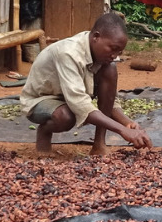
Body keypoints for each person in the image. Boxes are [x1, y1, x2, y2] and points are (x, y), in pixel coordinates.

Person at [20, 12, 153, 155]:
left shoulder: (102, 56)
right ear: (96, 37)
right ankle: (45, 131)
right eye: (113, 49)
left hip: (70, 98)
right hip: (41, 100)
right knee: (65, 116)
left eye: (119, 51)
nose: (115, 56)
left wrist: (128, 123)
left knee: (110, 68)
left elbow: (109, 102)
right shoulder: (68, 53)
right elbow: (79, 104)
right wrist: (122, 130)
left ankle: (99, 144)